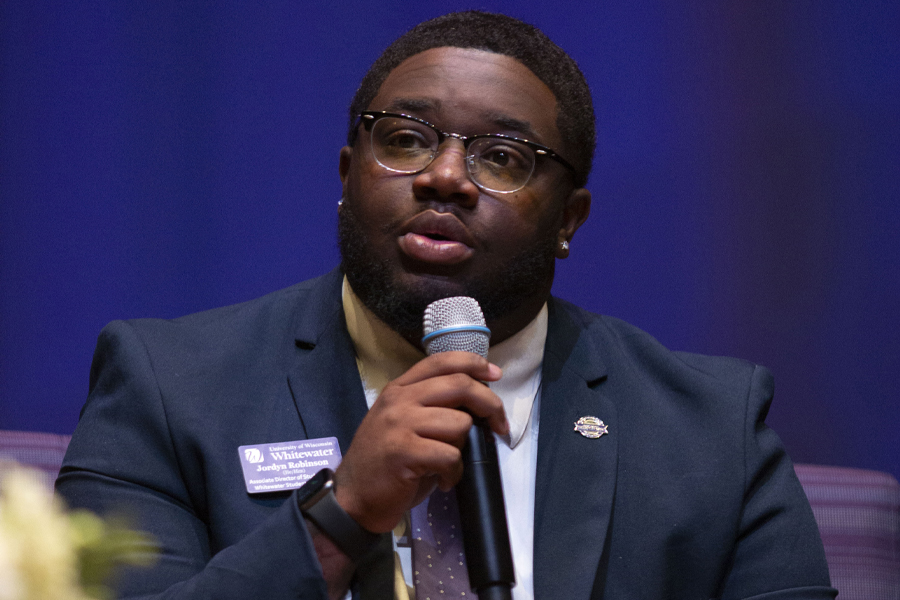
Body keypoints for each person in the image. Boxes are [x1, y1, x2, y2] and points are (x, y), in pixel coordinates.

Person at [57, 11, 835, 600]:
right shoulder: (170, 386)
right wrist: (343, 513)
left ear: (569, 220)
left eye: (502, 157)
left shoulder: (710, 428)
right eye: (405, 139)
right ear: (347, 173)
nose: (445, 177)